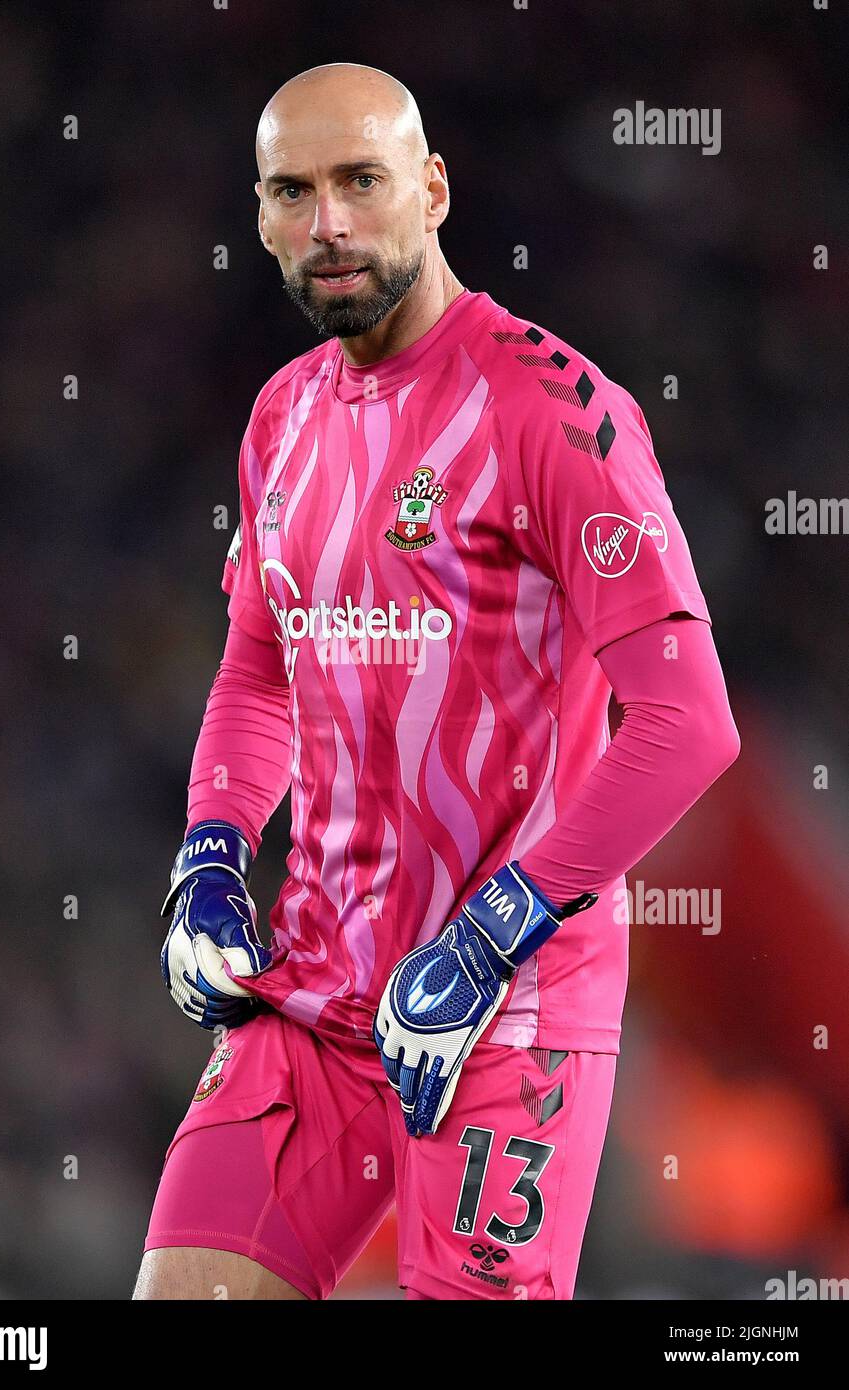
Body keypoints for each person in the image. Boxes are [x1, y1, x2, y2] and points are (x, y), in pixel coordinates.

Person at [134, 62, 740, 1302]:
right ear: (258, 216)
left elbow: (688, 724)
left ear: (434, 188)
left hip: (506, 1007)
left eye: (360, 181)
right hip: (309, 992)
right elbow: (261, 665)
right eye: (293, 192)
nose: (331, 224)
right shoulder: (279, 418)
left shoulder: (557, 411)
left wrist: (489, 932)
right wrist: (208, 856)